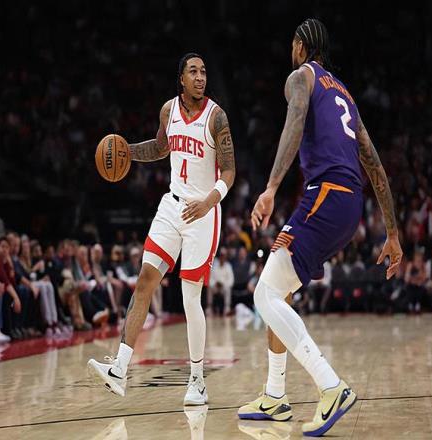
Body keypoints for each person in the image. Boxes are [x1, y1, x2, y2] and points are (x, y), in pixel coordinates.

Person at [238, 18, 403, 437]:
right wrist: (393, 233)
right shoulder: (344, 92)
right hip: (350, 204)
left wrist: (271, 187)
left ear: (300, 46)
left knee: (264, 295)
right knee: (279, 290)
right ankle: (275, 396)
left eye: (292, 43)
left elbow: (293, 125)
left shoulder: (301, 77)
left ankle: (331, 386)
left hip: (326, 195)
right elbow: (375, 166)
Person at [88, 53, 236, 405]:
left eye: (204, 71)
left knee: (189, 297)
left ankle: (197, 381)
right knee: (144, 280)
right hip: (172, 205)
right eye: (193, 72)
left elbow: (229, 170)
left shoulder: (216, 116)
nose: (200, 77)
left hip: (203, 211)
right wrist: (126, 151)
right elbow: (160, 147)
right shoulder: (168, 111)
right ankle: (119, 369)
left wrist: (210, 201)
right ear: (181, 78)